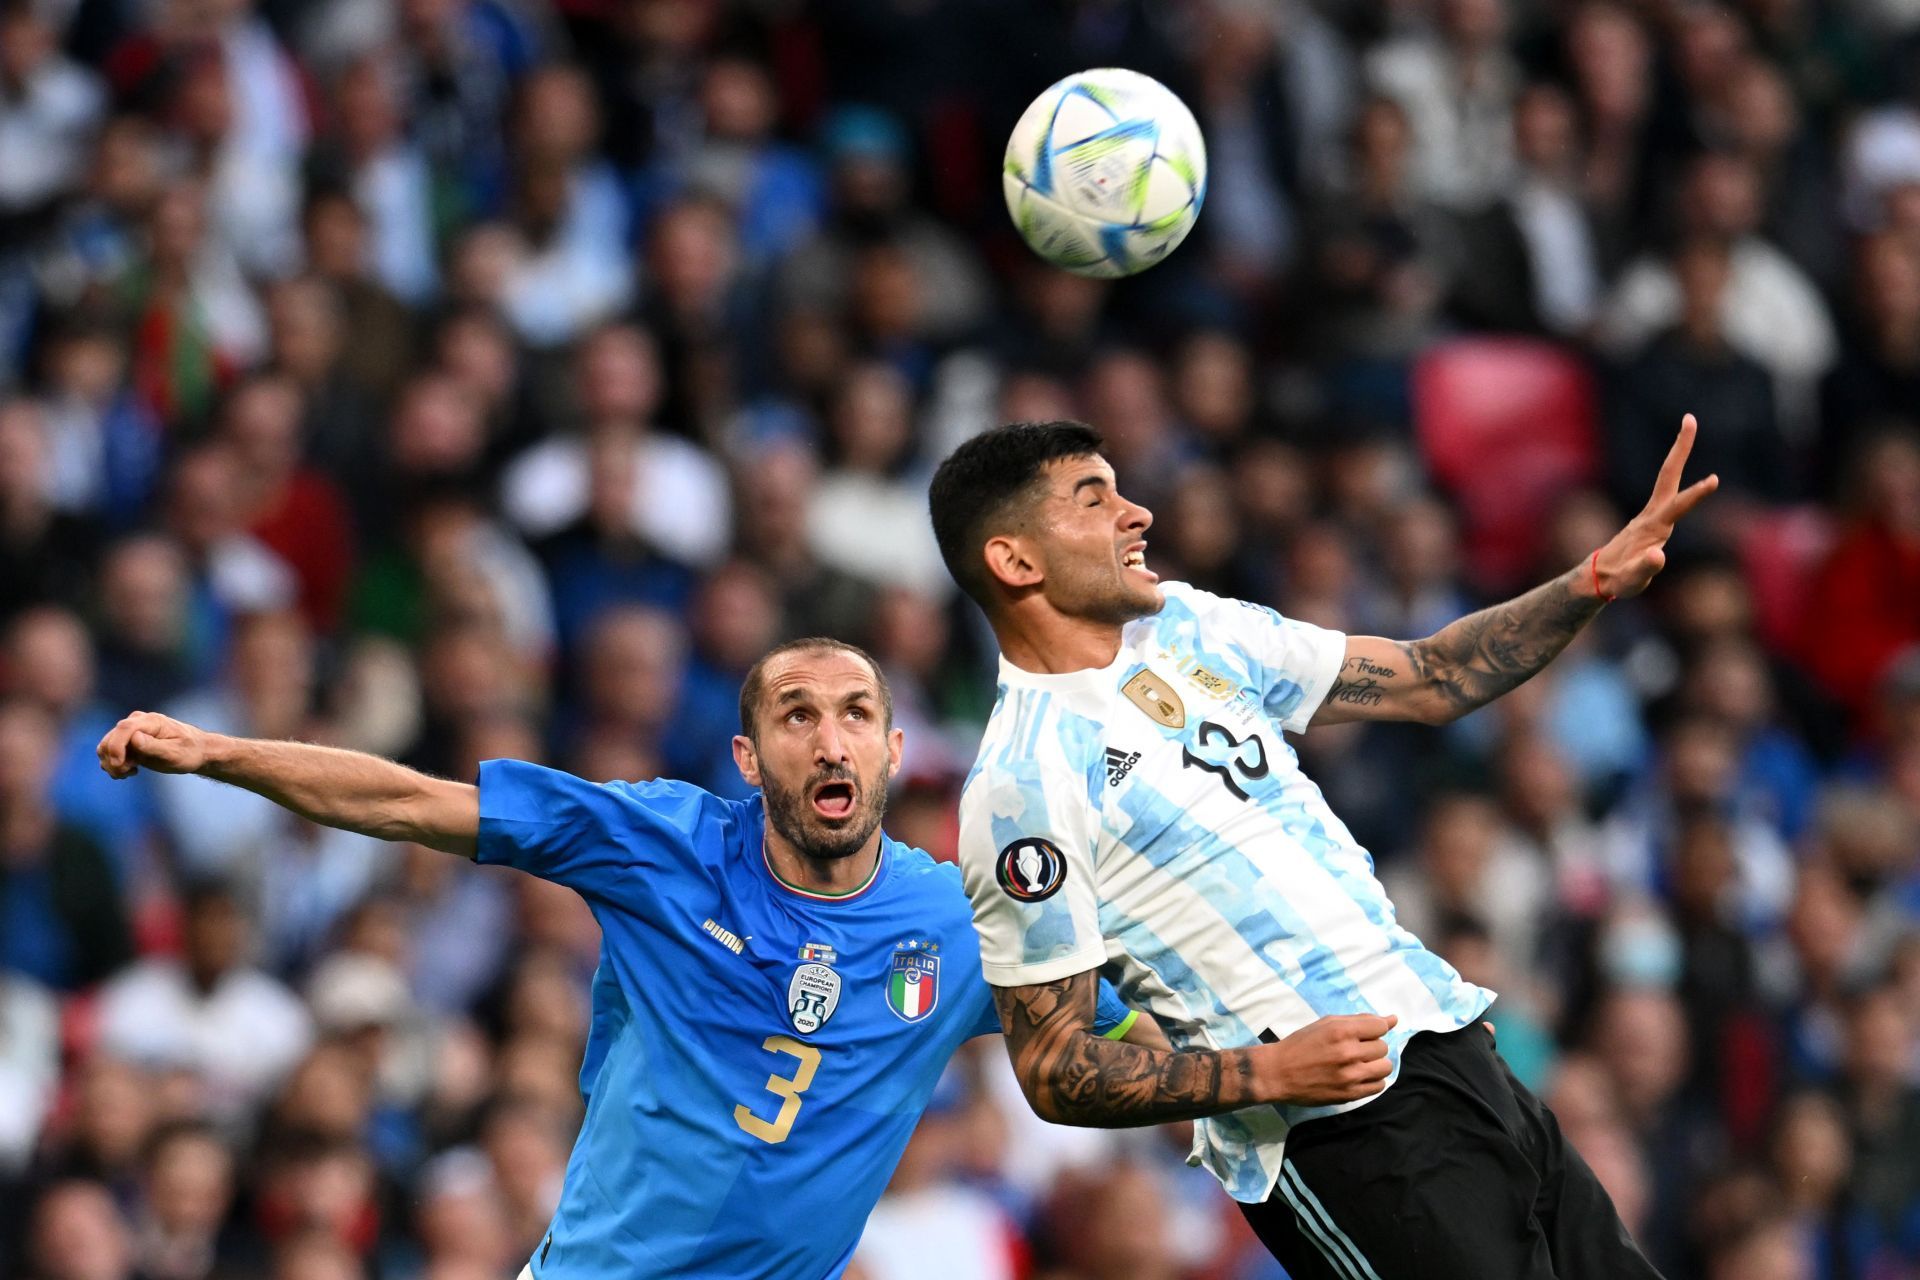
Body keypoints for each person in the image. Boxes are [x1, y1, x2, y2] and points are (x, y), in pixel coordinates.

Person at [94, 637, 1222, 1278]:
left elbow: (1108, 1031)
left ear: (890, 749)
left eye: (853, 713)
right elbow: (410, 801)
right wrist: (219, 751)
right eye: (795, 713)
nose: (828, 736)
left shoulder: (962, 920)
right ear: (748, 751)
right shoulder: (660, 839)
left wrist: (1220, 1065)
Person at [926, 416, 1719, 1280]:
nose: (1137, 512)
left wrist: (1592, 580)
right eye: (1094, 498)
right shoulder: (1021, 782)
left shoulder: (1190, 627)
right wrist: (1263, 1074)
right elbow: (1051, 1066)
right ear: (1015, 562)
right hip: (1338, 1136)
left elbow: (1431, 676)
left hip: (1452, 1046)